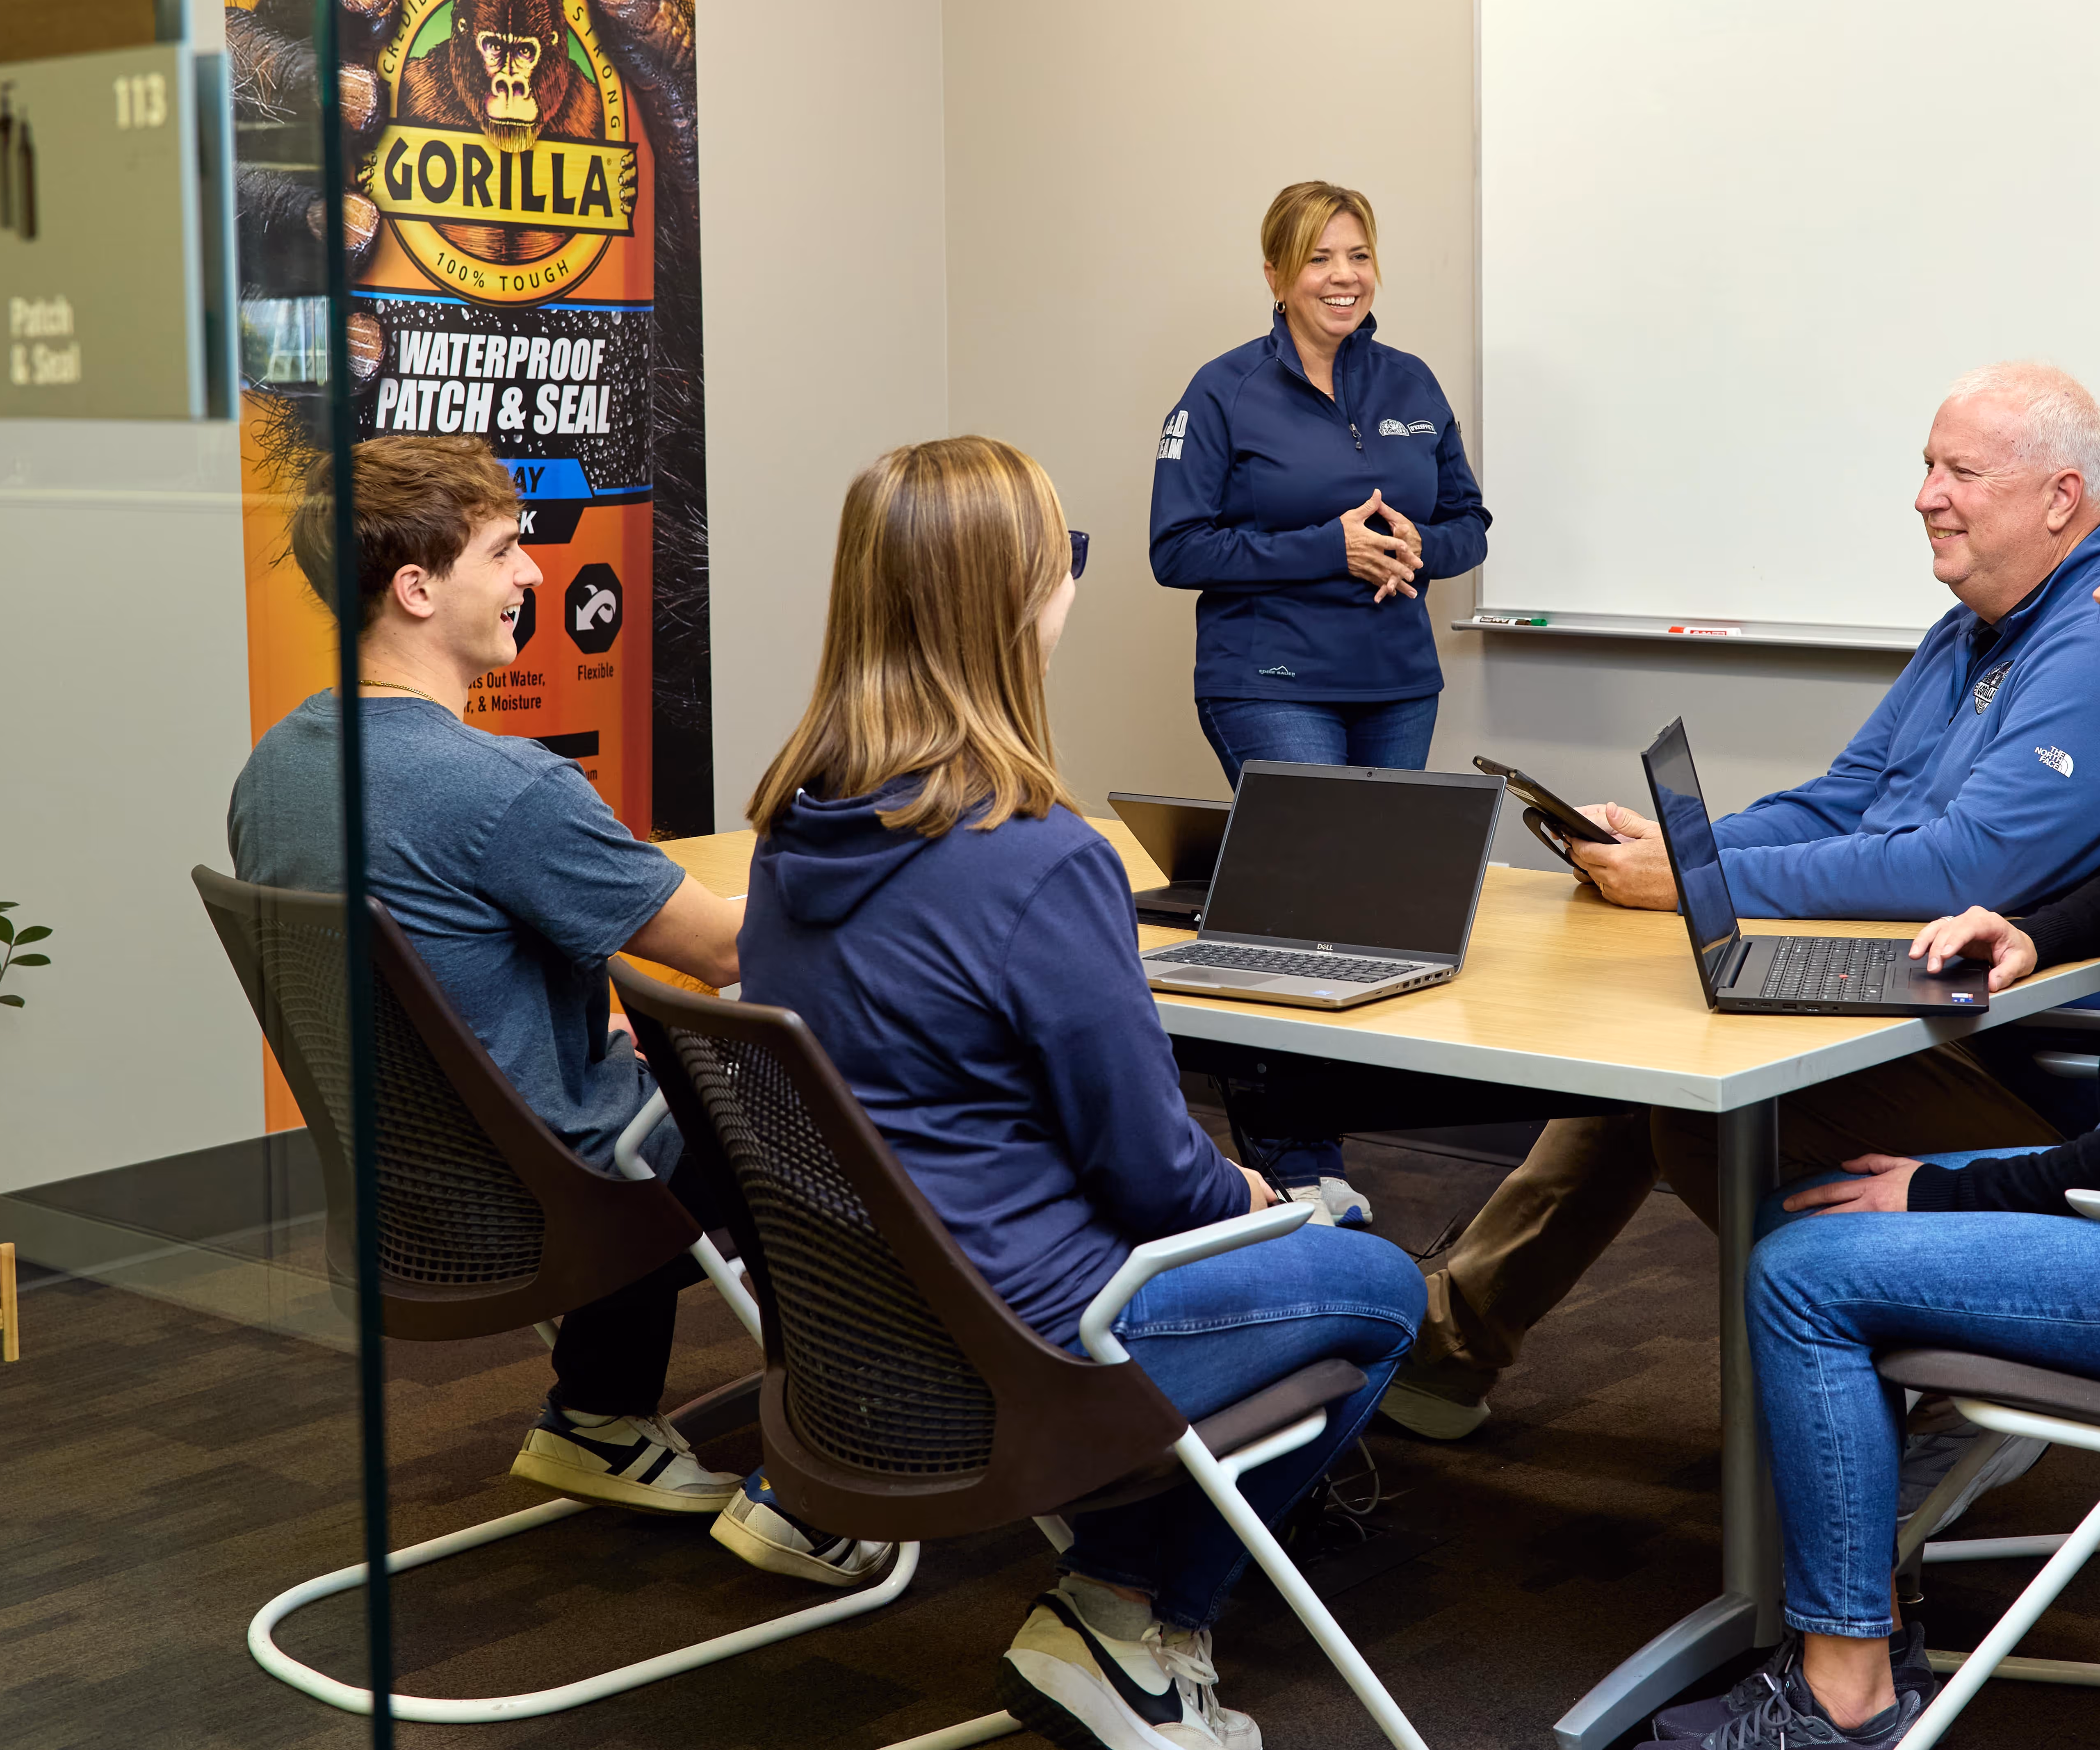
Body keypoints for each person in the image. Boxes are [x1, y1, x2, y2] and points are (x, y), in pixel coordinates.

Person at [1655, 438, 2100, 1748]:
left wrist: (1931, 1185)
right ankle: (1874, 1589)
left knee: (1803, 1265)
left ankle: (1844, 1695)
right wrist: (2039, 931)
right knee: (1833, 1220)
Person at [741, 434, 1425, 1750]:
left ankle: (1117, 1590)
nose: (1074, 590)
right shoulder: (1040, 858)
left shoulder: (795, 824)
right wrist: (1257, 1194)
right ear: (1014, 602)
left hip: (866, 1330)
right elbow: (1154, 1176)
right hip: (1037, 1337)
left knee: (1287, 1230)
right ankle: (1124, 1618)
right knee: (1374, 1274)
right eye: (1068, 562)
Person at [1388, 364, 2100, 1456]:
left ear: (2060, 499)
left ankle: (1898, 1400)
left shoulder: (2090, 640)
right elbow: (1844, 798)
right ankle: (1442, 1358)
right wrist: (1685, 852)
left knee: (1703, 1111)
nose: (1926, 494)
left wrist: (1705, 887)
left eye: (1960, 471)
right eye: (1926, 465)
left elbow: (1960, 867)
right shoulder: (1975, 622)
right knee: (1648, 1066)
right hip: (1923, 1023)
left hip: (2019, 1073)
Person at [228, 435, 887, 1587]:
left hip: (414, 1196)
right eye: (506, 550)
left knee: (640, 1061)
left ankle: (595, 1416)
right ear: (419, 589)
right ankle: (832, 1473)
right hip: (549, 1206)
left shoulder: (278, 768)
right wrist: (887, 852)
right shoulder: (505, 787)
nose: (535, 574)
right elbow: (732, 948)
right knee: (817, 1122)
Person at [1150, 180, 1489, 1226]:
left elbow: (1471, 521)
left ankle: (1322, 1154)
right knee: (1297, 916)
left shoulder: (1412, 382)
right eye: (1318, 260)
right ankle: (1302, 1166)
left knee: (1375, 920)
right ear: (1275, 276)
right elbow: (1178, 550)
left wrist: (1416, 549)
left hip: (1396, 682)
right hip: (1269, 680)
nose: (1343, 278)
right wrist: (1327, 547)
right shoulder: (1221, 394)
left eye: (1358, 256)